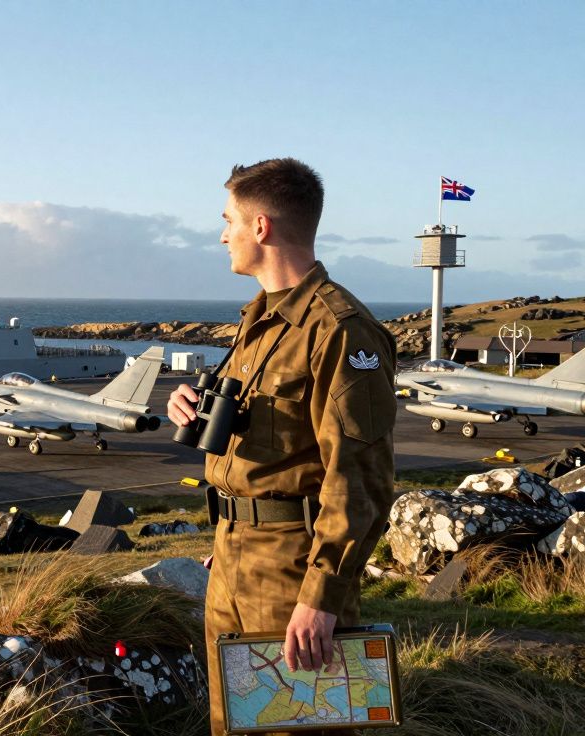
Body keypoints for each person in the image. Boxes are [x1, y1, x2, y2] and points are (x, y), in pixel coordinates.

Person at [166, 158, 396, 736]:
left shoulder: (340, 329)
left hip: (294, 570)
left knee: (297, 724)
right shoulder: (260, 319)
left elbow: (360, 477)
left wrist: (321, 597)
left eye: (228, 222)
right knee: (232, 721)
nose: (223, 236)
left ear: (261, 226)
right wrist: (191, 404)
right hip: (233, 555)